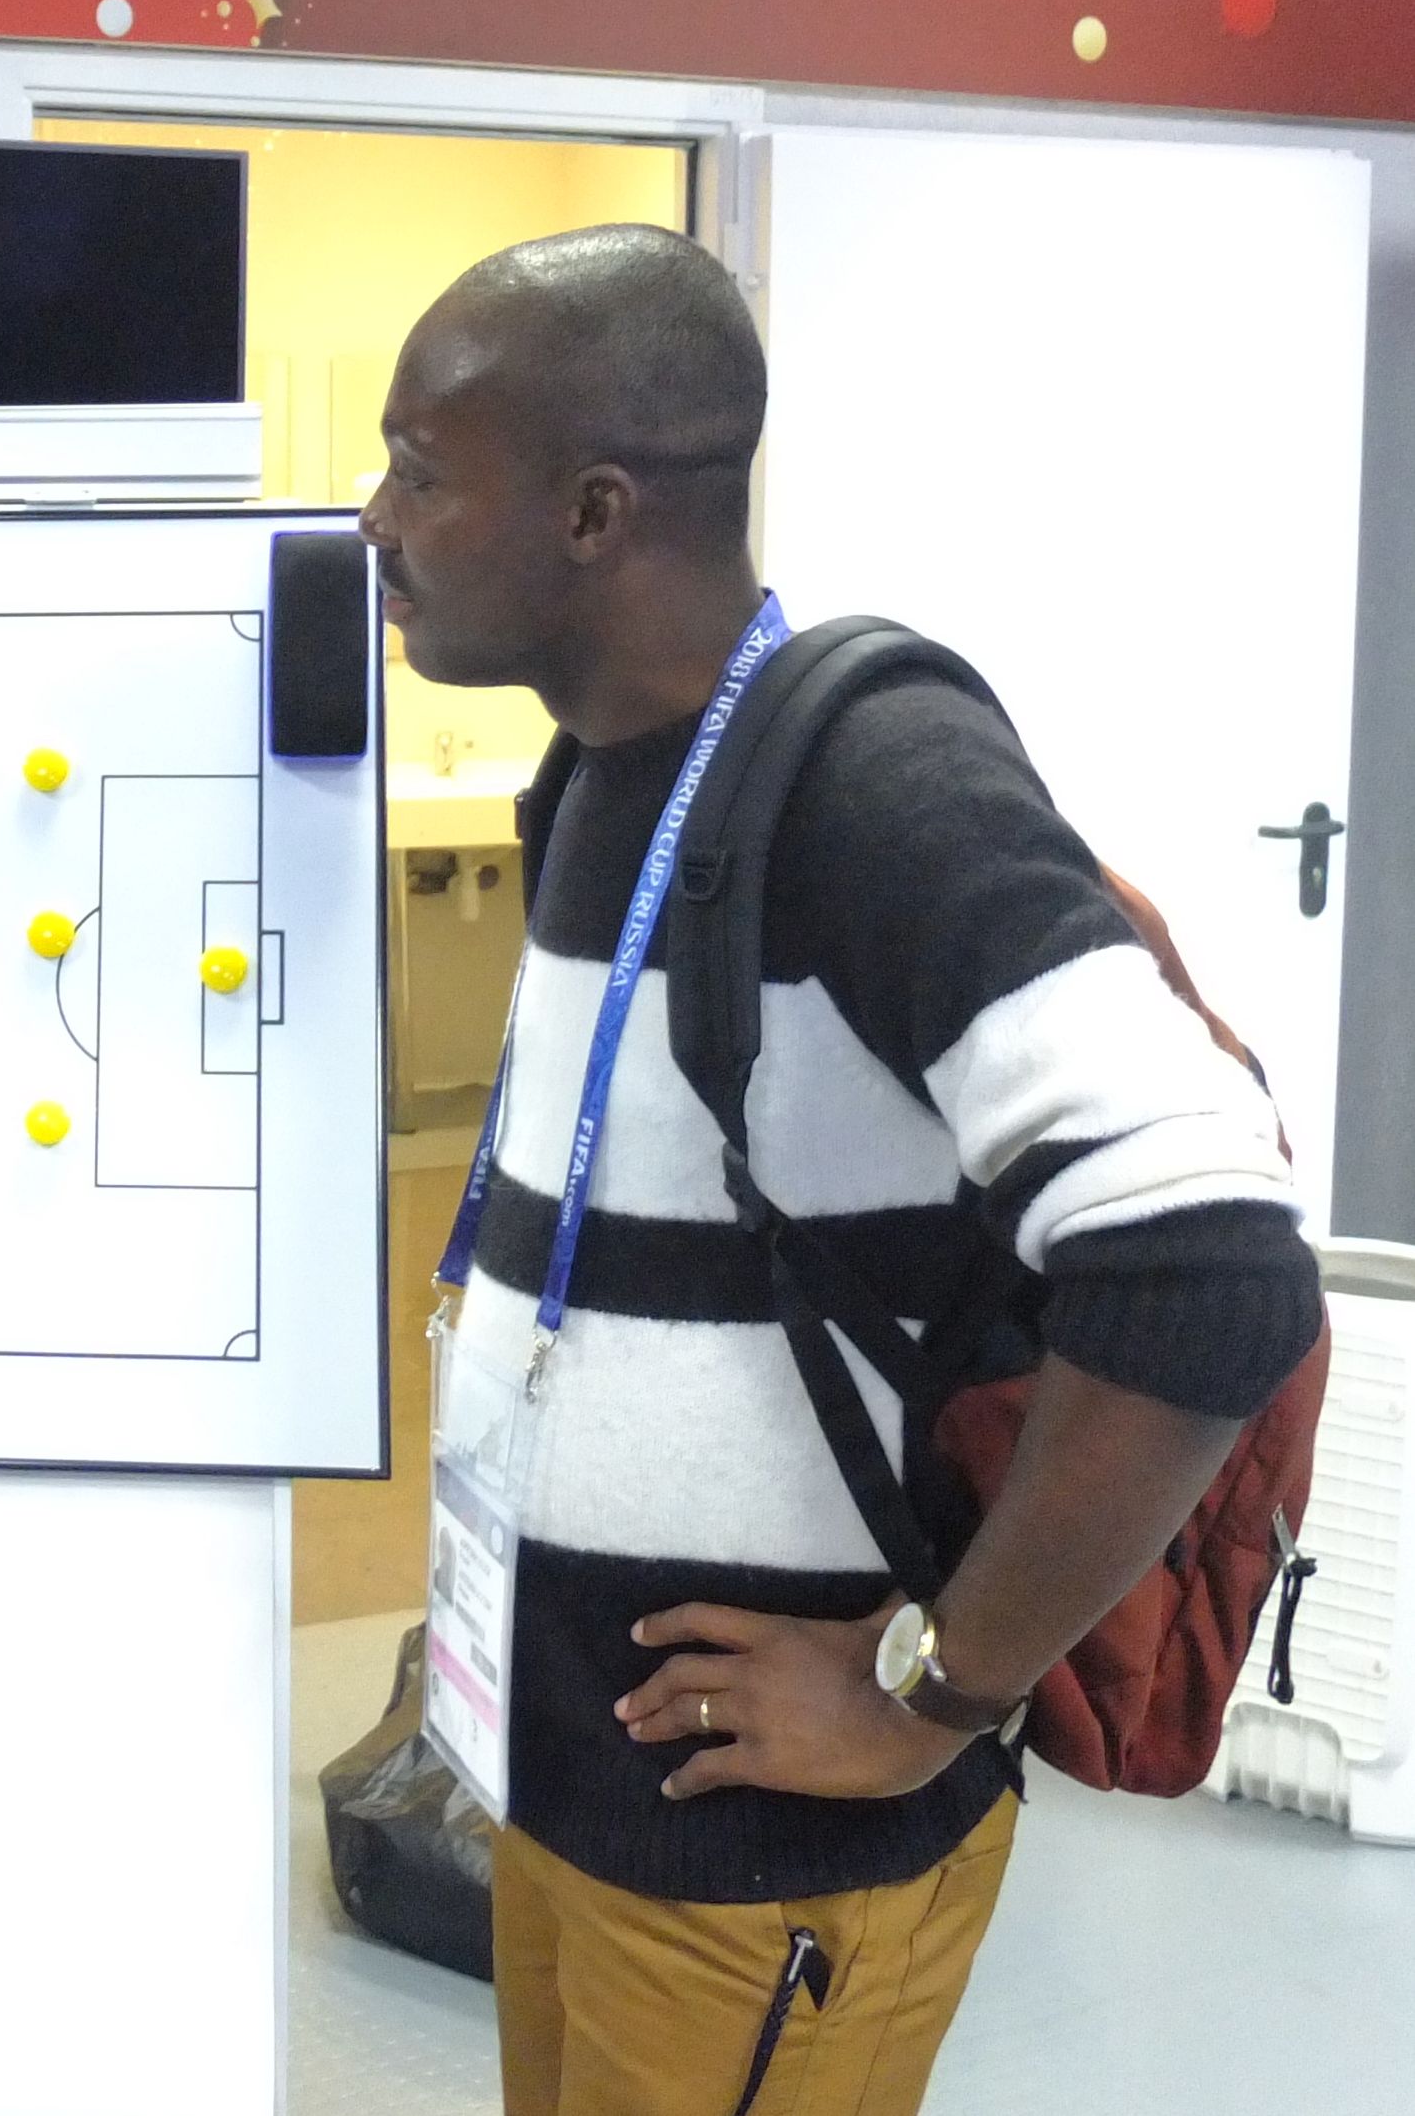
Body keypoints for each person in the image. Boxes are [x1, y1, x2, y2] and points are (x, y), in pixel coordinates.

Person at [360, 225, 1319, 2116]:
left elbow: (1211, 1264)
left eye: (418, 470)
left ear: (593, 513)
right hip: (569, 1785)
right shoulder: (600, 777)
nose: (375, 523)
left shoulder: (874, 786)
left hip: (763, 1857)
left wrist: (937, 1691)